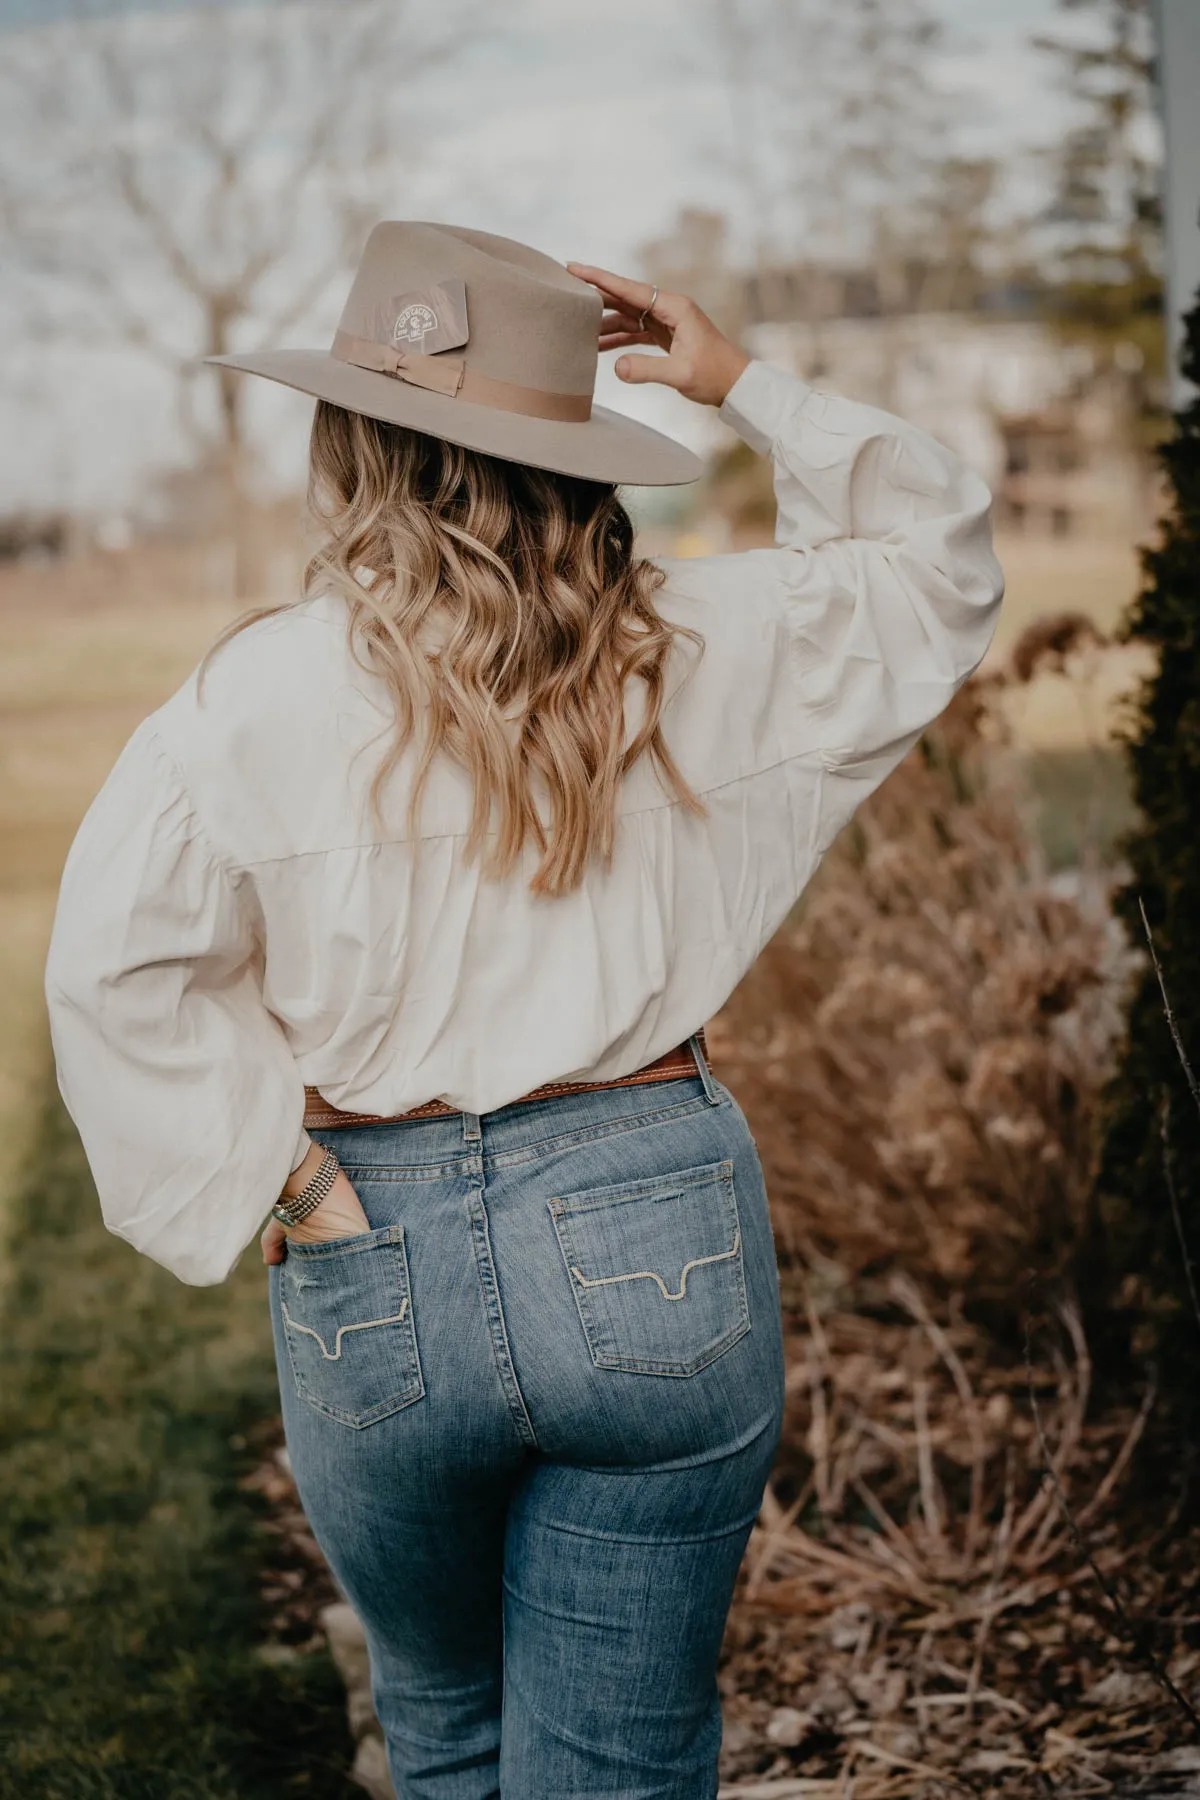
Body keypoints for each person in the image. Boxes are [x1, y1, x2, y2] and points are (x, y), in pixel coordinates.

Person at [44, 222, 1003, 1800]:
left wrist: (266, 1173)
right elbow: (938, 564)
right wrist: (743, 378)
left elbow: (116, 973)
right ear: (576, 452)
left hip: (374, 1248)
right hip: (655, 1226)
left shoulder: (244, 700)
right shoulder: (707, 647)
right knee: (614, 1764)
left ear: (349, 443)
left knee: (446, 1731)